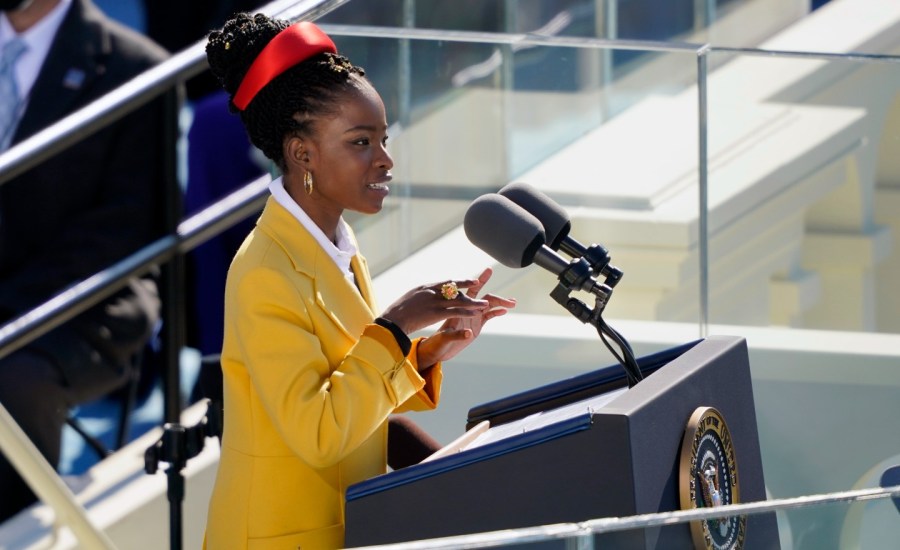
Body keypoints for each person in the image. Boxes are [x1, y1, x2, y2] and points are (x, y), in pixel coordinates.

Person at [202, 12, 516, 548]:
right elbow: (320, 431)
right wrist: (395, 326)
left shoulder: (338, 248)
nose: (386, 160)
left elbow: (350, 388)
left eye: (383, 139)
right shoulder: (263, 272)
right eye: (361, 142)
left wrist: (424, 354)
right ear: (302, 153)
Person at [0, 0, 171, 522]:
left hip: (86, 302)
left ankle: (21, 527)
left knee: (12, 376)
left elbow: (121, 231)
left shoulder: (135, 69)